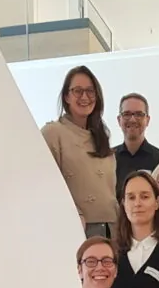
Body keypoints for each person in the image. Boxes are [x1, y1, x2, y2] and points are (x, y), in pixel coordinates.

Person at [42, 65, 117, 237]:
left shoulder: (101, 137)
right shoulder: (53, 133)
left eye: (90, 91)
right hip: (76, 228)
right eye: (78, 91)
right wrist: (73, 214)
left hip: (112, 230)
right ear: (67, 96)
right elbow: (47, 185)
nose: (85, 97)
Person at [115, 92, 159, 196]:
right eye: (126, 114)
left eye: (139, 114)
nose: (132, 119)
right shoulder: (108, 158)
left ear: (147, 120)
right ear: (119, 120)